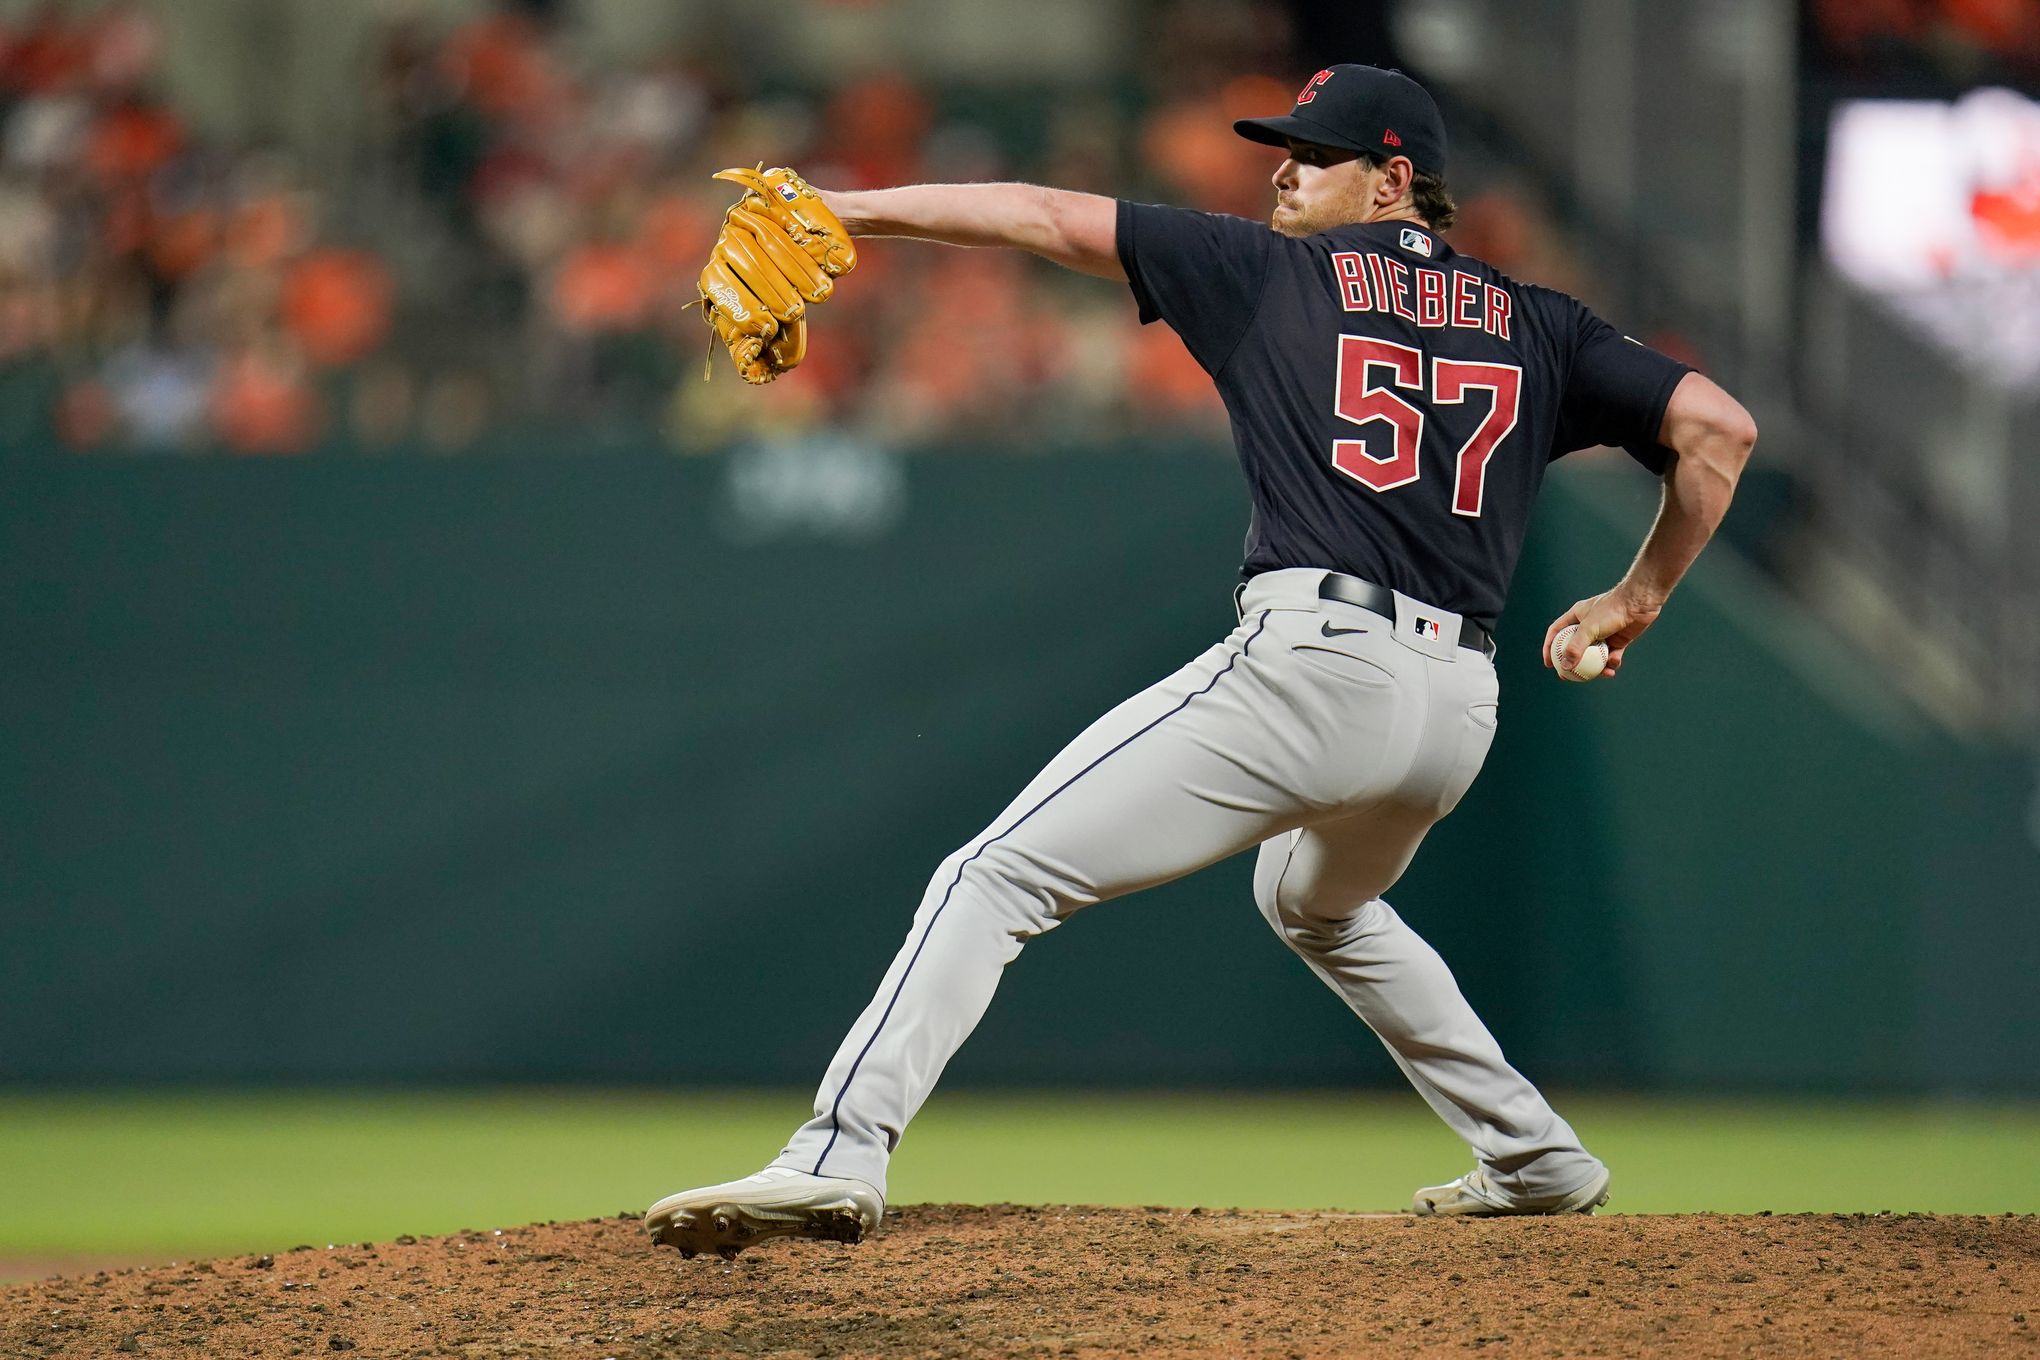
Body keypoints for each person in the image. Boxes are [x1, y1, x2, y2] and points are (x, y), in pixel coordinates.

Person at [645, 64, 1757, 1259]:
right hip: (1457, 709)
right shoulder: (1544, 321)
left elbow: (1044, 215)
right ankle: (1535, 1155)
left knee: (994, 878)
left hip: (1317, 663)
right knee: (1317, 900)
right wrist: (1637, 595)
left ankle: (834, 1155)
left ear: (1394, 179)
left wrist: (845, 210)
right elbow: (1719, 429)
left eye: (1313, 153)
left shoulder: (1267, 270)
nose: (1283, 169)